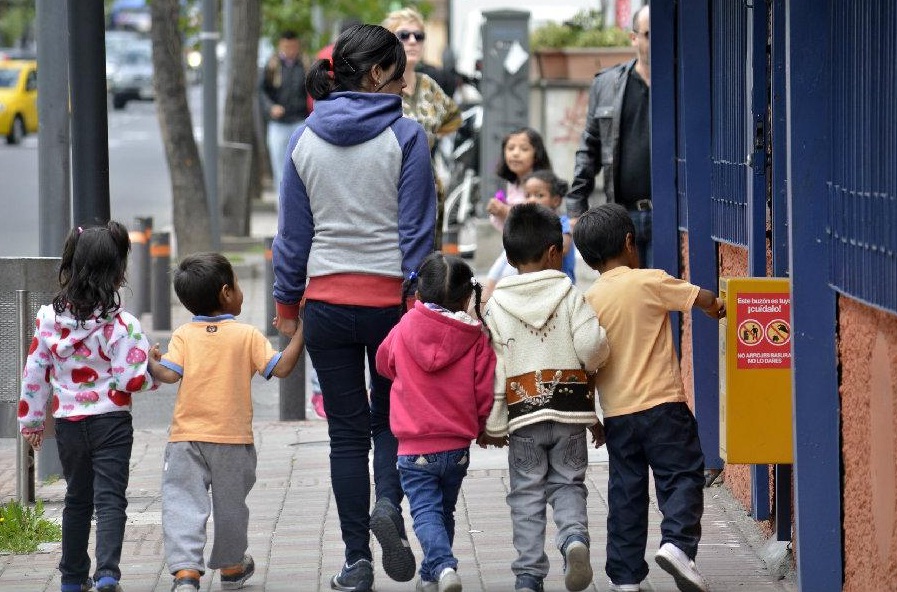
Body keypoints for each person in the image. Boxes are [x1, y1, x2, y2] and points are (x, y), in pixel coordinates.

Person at [271, 23, 437, 592]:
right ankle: (388, 503)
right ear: (375, 75)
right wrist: (417, 296)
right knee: (392, 420)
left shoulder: (302, 139)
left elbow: (292, 236)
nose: (406, 81)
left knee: (345, 436)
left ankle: (355, 560)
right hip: (391, 305)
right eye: (400, 71)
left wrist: (286, 303)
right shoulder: (407, 137)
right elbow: (417, 232)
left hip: (325, 305)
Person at [572, 203, 725, 592]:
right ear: (629, 243)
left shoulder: (588, 301)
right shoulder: (648, 280)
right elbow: (699, 297)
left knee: (626, 493)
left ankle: (624, 578)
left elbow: (585, 360)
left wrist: (592, 416)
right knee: (683, 475)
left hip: (619, 417)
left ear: (589, 261)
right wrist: (716, 306)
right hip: (663, 407)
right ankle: (677, 544)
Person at [146, 252, 305, 592]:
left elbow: (167, 375)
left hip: (185, 438)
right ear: (226, 293)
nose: (240, 289)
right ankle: (232, 567)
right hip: (232, 440)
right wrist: (301, 334)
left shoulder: (183, 335)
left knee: (182, 502)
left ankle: (186, 572)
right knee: (231, 506)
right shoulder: (246, 335)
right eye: (236, 283)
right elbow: (282, 368)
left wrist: (151, 362)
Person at [18, 221, 157, 592]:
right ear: (117, 271)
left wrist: (31, 421)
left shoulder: (49, 320)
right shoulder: (121, 324)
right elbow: (132, 379)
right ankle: (108, 573)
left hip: (68, 424)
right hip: (111, 422)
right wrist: (154, 374)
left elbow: (34, 373)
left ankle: (71, 577)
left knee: (77, 498)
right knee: (111, 499)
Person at [481, 203, 610, 592]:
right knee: (569, 484)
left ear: (508, 256)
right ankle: (574, 540)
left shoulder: (497, 305)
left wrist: (494, 422)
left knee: (526, 494)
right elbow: (591, 346)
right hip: (570, 414)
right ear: (554, 252)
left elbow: (496, 367)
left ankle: (528, 575)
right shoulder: (570, 295)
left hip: (523, 417)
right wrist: (597, 360)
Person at [375, 253, 496, 592]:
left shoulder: (404, 328)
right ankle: (431, 576)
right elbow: (484, 389)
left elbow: (384, 363)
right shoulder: (475, 336)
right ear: (464, 297)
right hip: (457, 445)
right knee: (444, 512)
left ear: (419, 293)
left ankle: (443, 567)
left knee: (425, 512)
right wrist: (482, 425)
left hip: (415, 447)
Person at [566, 5, 654, 267]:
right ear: (634, 37)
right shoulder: (607, 84)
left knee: (667, 300)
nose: (655, 42)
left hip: (673, 215)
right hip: (624, 215)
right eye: (648, 34)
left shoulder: (681, 80)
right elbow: (589, 146)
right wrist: (576, 205)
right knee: (628, 300)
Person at [383, 7, 462, 249]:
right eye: (404, 35)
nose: (413, 41)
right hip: (387, 185)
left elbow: (453, 117)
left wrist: (429, 138)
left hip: (427, 182)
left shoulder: (428, 85)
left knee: (426, 262)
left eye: (419, 36)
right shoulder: (378, 84)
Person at [482, 128, 553, 301]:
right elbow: (508, 226)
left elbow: (536, 218)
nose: (515, 153)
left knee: (504, 291)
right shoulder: (513, 183)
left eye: (523, 149)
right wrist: (497, 212)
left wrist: (506, 211)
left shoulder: (539, 184)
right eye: (510, 148)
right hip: (511, 248)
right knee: (487, 289)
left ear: (537, 154)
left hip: (529, 252)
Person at [260, 30, 310, 193]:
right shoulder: (272, 65)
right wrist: (270, 107)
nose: (290, 50)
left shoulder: (306, 64)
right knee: (280, 169)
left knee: (303, 167)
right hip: (278, 123)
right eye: (286, 46)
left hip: (300, 120)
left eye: (293, 46)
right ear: (281, 45)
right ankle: (282, 208)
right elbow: (262, 91)